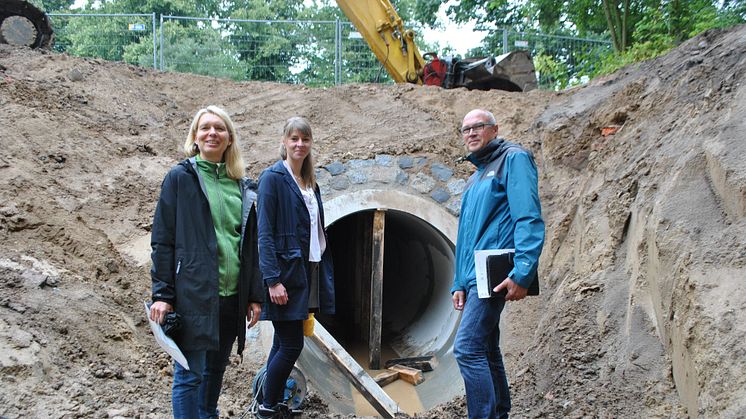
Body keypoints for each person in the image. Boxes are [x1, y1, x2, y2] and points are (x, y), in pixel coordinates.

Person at [149, 105, 264, 419]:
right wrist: (163, 293)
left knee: (215, 371)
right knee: (189, 374)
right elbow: (162, 240)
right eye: (205, 128)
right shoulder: (180, 179)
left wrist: (253, 294)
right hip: (193, 296)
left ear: (229, 139)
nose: (212, 133)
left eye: (219, 128)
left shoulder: (241, 185)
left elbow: (249, 245)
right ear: (195, 137)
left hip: (230, 298)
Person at [451, 109, 545, 419]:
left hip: (495, 273)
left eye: (479, 126)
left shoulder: (513, 159)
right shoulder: (476, 177)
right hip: (475, 276)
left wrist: (523, 271)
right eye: (466, 129)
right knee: (486, 350)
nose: (472, 133)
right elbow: (466, 235)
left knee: (466, 349)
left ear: (495, 129)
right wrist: (459, 282)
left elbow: (528, 217)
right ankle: (499, 413)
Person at [256, 116, 335, 418]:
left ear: (311, 143)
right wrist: (272, 279)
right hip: (285, 276)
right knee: (291, 344)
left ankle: (271, 403)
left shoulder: (310, 182)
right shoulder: (273, 178)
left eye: (305, 139)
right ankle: (266, 407)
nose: (300, 144)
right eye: (294, 138)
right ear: (284, 142)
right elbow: (264, 232)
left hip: (307, 270)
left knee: (282, 340)